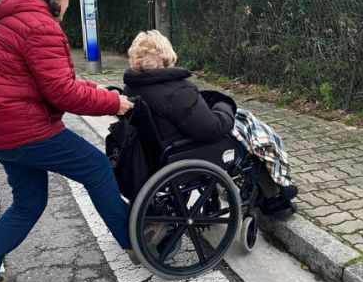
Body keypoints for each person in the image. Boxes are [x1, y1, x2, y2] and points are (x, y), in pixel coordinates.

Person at [0, 0, 134, 282]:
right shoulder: (39, 25)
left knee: (28, 203)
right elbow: (62, 92)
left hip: (0, 132)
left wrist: (101, 94)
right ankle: (135, 241)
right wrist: (114, 104)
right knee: (97, 168)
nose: (67, 4)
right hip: (25, 129)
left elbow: (52, 83)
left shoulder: (7, 23)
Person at [123, 30, 297, 217]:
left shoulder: (133, 87)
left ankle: (267, 188)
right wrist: (224, 105)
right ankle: (274, 194)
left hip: (159, 151)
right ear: (166, 55)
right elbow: (212, 129)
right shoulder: (176, 90)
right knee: (250, 130)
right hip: (187, 150)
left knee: (243, 127)